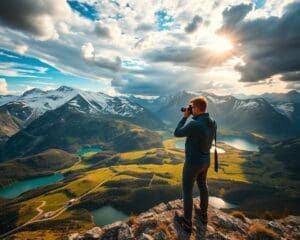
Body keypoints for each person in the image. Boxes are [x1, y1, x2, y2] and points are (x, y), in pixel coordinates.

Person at [174, 96, 217, 233]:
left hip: (193, 163)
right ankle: (203, 215)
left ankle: (187, 223)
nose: (189, 109)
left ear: (197, 108)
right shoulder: (213, 122)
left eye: (191, 107)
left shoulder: (195, 124)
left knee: (187, 190)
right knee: (203, 185)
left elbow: (177, 132)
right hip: (206, 161)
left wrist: (185, 117)